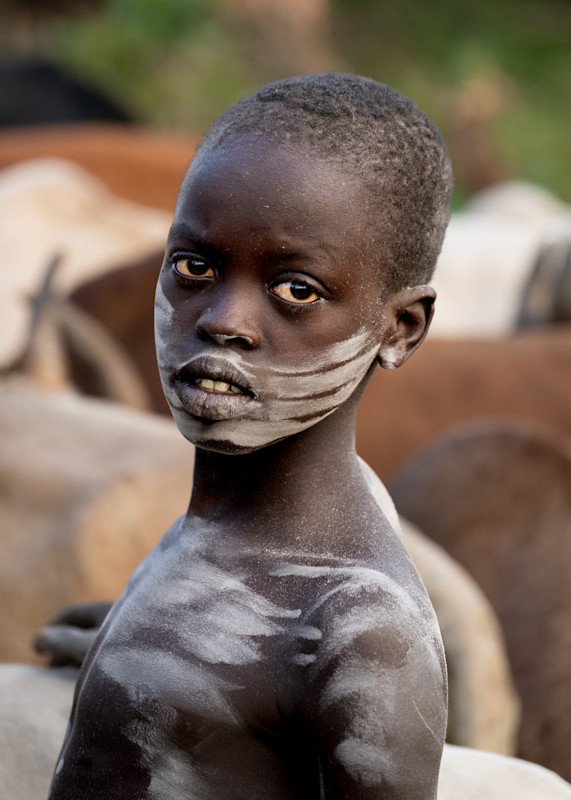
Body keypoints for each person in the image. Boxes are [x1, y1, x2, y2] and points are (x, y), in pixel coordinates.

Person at [45, 72, 453, 799]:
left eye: (297, 289)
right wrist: (150, 641)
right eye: (194, 267)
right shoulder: (248, 531)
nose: (223, 320)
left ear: (399, 328)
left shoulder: (360, 631)